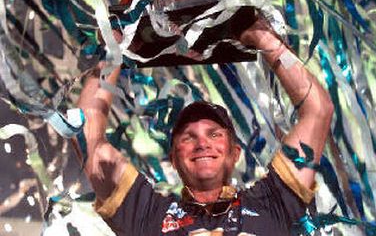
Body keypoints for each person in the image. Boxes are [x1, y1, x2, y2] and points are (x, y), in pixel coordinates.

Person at [77, 17, 334, 235]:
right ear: (174, 159)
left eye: (214, 134)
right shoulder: (147, 214)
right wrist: (112, 51)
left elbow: (318, 111)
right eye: (188, 137)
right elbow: (86, 137)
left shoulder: (273, 202)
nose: (202, 143)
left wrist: (262, 38)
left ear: (235, 153)